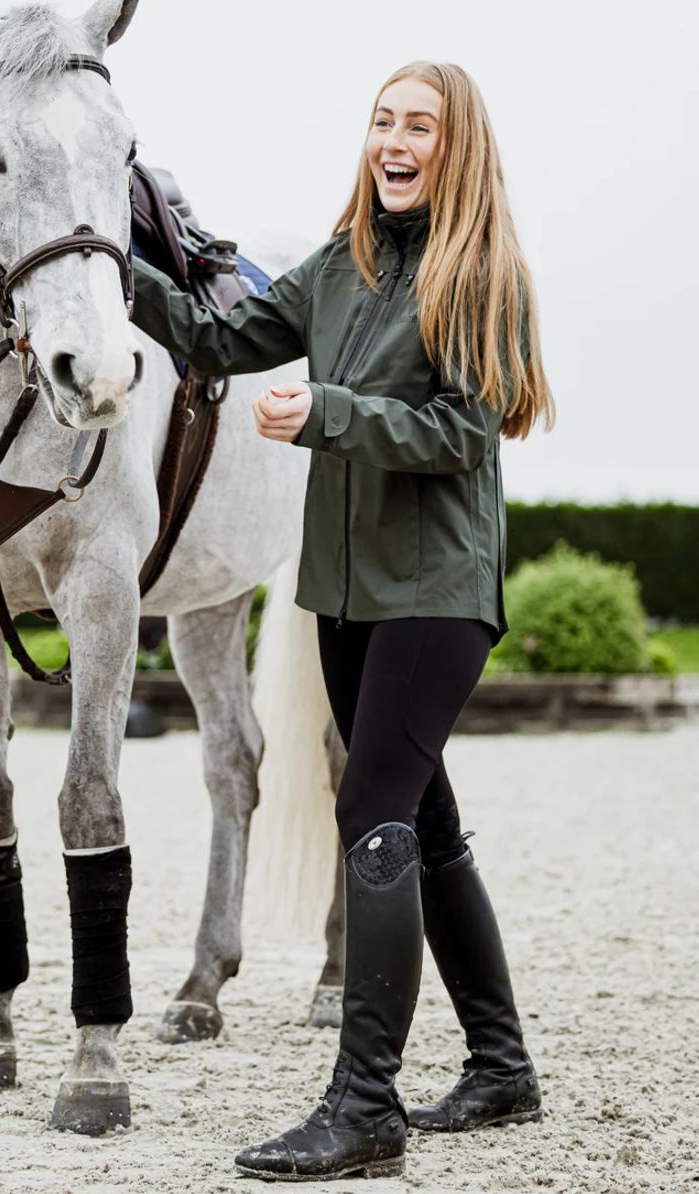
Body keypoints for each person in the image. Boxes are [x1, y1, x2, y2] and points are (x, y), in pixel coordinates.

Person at [130, 60, 555, 1182]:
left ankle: (363, 1103)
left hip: (436, 593)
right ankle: (502, 1064)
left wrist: (326, 411)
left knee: (372, 808)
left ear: (455, 146)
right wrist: (106, 263)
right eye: (382, 120)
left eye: (419, 124)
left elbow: (458, 433)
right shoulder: (340, 263)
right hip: (349, 592)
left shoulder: (483, 273)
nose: (394, 139)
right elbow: (217, 340)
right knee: (430, 821)